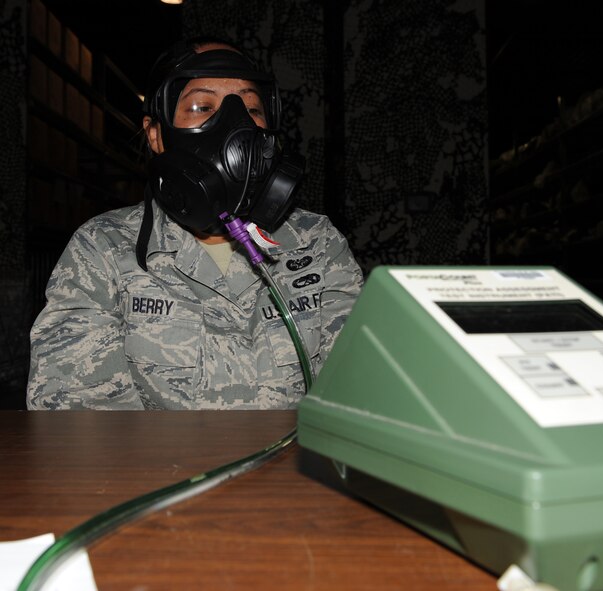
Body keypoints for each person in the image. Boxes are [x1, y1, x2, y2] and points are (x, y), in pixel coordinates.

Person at [26, 37, 363, 410]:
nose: (236, 125)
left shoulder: (317, 242)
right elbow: (76, 415)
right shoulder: (103, 249)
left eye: (251, 108)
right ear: (156, 134)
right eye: (202, 106)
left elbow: (361, 393)